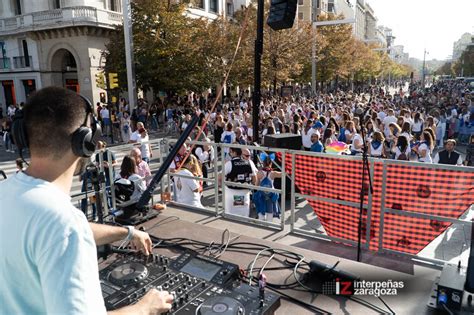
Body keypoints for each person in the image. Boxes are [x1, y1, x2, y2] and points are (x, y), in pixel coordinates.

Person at [0, 87, 173, 314]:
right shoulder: (62, 222)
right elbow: (63, 230)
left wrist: (127, 232)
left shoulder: (6, 192)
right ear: (85, 142)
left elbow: (49, 235)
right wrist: (145, 307)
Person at [221, 147, 257, 217]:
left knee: (231, 215)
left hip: (231, 192)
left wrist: (222, 186)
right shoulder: (249, 163)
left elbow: (220, 177)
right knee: (243, 214)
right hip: (244, 192)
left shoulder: (229, 164)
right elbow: (254, 179)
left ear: (233, 152)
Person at [253, 156, 281, 221]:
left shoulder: (259, 173)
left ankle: (261, 220)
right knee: (270, 211)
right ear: (271, 163)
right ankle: (269, 222)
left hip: (261, 194)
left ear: (263, 163)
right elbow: (284, 174)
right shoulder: (274, 173)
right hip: (271, 194)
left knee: (261, 209)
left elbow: (256, 185)